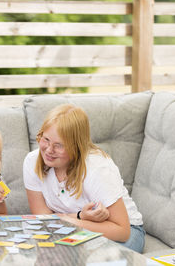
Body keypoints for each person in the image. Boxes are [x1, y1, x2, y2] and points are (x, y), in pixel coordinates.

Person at [23, 104, 145, 253]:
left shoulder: (97, 169)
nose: (49, 150)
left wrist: (73, 222)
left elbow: (122, 231)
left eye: (59, 145)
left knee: (86, 259)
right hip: (73, 227)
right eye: (46, 139)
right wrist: (79, 217)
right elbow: (44, 218)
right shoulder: (33, 161)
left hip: (125, 232)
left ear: (76, 147)